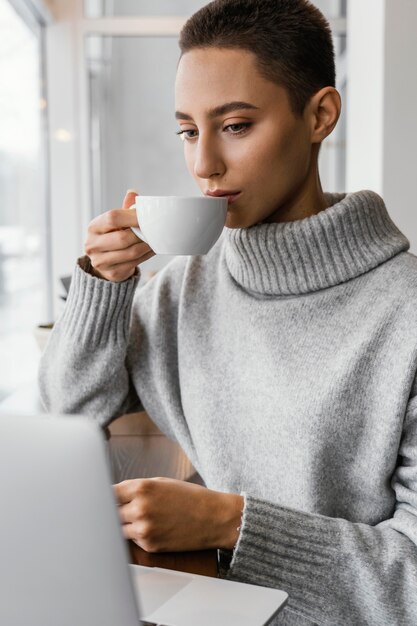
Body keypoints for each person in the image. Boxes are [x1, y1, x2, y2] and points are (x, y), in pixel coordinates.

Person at [39, 0, 417, 624]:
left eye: (235, 125)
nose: (203, 164)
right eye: (188, 130)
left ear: (320, 114)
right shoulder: (181, 290)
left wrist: (228, 523)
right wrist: (105, 285)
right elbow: (71, 417)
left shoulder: (403, 313)